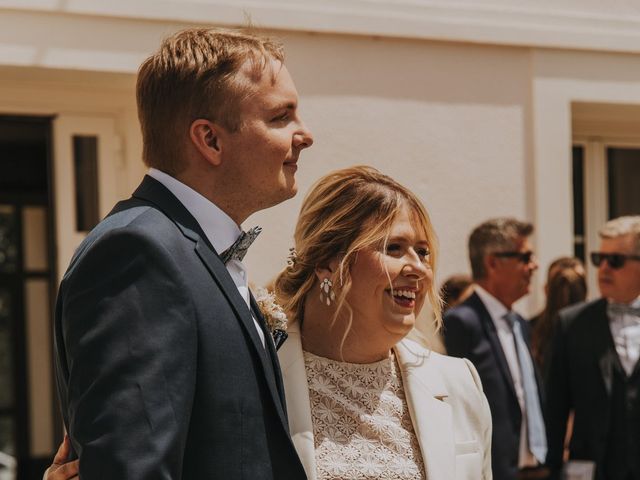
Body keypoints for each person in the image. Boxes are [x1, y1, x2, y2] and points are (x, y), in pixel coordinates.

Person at [48, 166, 492, 479]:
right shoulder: (252, 370)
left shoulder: (457, 383)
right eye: (393, 249)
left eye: (424, 251)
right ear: (327, 262)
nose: (417, 267)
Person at [49, 27, 313, 479]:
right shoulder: (137, 253)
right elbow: (134, 466)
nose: (304, 135)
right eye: (280, 117)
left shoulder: (193, 251)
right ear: (209, 140)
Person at [443, 218, 547, 480]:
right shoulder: (462, 321)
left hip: (534, 468)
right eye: (524, 257)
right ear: (492, 262)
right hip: (493, 471)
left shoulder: (520, 323)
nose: (534, 265)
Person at [545, 216, 640, 480]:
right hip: (592, 470)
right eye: (599, 259)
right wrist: (552, 469)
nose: (604, 269)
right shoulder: (571, 323)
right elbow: (554, 408)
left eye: (616, 261)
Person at [530, 257, 586, 374]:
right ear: (546, 289)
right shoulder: (527, 330)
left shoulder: (597, 328)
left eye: (576, 283)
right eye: (560, 283)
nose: (567, 291)